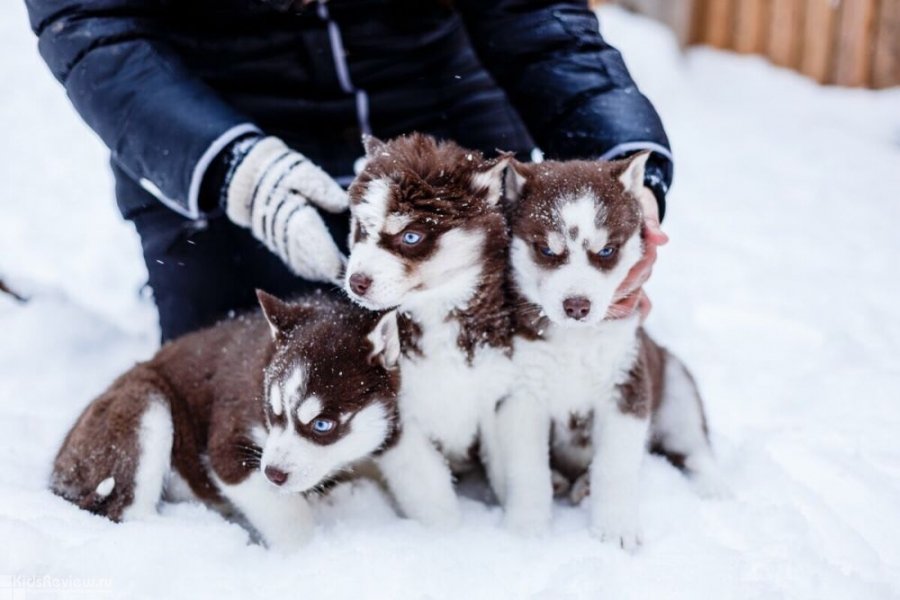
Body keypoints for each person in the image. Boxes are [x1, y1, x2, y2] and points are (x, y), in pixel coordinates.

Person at [26, 0, 672, 341]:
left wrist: (620, 171)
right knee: (252, 369)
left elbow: (537, 20)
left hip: (429, 98)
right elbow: (93, 29)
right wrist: (231, 167)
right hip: (217, 105)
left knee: (524, 336)